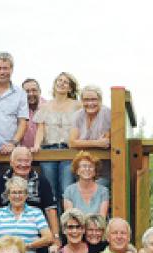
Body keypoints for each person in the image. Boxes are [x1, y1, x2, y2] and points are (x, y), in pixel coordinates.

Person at [0, 146, 61, 253]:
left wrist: (55, 237)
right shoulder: (0, 180)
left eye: (26, 161)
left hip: (36, 228)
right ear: (11, 162)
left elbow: (50, 209)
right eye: (19, 160)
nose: (23, 164)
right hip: (7, 225)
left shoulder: (41, 181)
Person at [31, 72, 80, 202]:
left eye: (65, 82)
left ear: (70, 88)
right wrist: (36, 145)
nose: (61, 83)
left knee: (66, 188)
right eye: (59, 80)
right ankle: (54, 222)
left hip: (69, 150)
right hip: (48, 150)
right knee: (50, 190)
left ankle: (69, 221)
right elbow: (40, 129)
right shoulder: (44, 106)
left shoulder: (77, 105)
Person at [68, 84, 111, 189]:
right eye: (86, 100)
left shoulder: (106, 113)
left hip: (102, 167)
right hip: (82, 166)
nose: (90, 103)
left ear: (100, 100)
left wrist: (82, 143)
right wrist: (97, 143)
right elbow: (72, 142)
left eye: (94, 99)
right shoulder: (78, 115)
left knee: (94, 190)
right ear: (82, 101)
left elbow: (106, 143)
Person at [62, 150, 110, 216]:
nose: (87, 169)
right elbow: (70, 219)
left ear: (95, 171)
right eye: (84, 166)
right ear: (77, 170)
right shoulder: (69, 191)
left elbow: (102, 218)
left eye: (90, 166)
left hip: (98, 226)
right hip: (76, 226)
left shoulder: (103, 191)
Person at [20, 78, 45, 149]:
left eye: (34, 90)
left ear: (40, 91)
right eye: (27, 91)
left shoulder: (48, 107)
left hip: (45, 153)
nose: (31, 94)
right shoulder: (19, 109)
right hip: (24, 153)